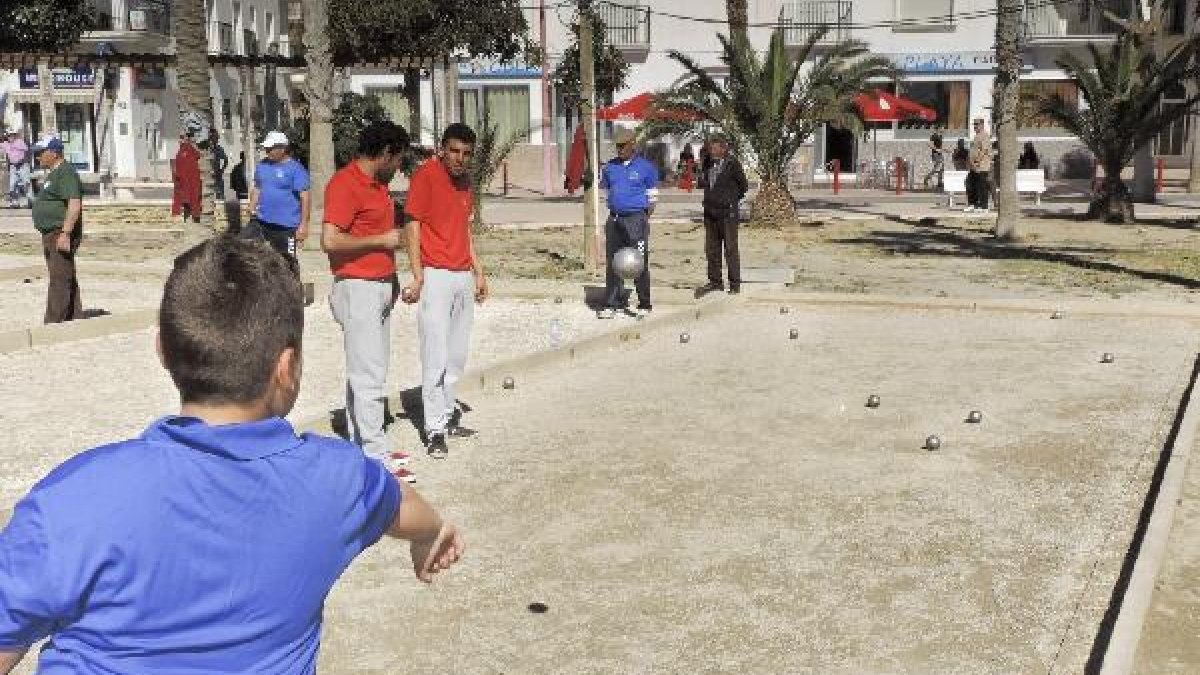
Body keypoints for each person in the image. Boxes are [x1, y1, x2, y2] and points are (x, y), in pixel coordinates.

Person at [0, 236, 464, 674]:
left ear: (162, 350)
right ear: (287, 367)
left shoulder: (77, 498)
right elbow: (405, 508)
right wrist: (433, 534)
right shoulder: (339, 479)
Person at [322, 121, 416, 481]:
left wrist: (391, 279)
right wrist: (381, 241)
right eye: (398, 160)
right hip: (356, 286)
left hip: (377, 286)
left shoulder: (378, 186)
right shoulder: (345, 184)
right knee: (370, 374)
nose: (399, 169)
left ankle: (363, 444)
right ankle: (376, 458)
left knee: (365, 371)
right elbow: (330, 241)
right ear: (386, 153)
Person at [403, 122, 488, 459]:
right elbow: (412, 226)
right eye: (454, 151)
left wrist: (478, 271)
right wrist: (418, 275)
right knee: (435, 354)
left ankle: (448, 413)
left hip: (462, 274)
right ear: (442, 148)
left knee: (456, 353)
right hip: (435, 275)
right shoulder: (425, 177)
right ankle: (434, 429)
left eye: (466, 153)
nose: (460, 158)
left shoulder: (466, 182)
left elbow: (463, 230)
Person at [597, 126, 658, 319]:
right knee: (613, 263)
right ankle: (612, 303)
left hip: (636, 220)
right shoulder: (610, 168)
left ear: (633, 144)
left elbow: (652, 198)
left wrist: (642, 219)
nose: (619, 149)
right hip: (615, 220)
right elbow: (607, 192)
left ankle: (644, 303)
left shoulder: (646, 167)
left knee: (639, 262)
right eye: (617, 146)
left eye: (623, 145)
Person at [30, 136, 84, 324]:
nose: (37, 157)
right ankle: (73, 316)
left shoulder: (66, 173)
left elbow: (74, 204)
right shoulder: (54, 173)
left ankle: (53, 322)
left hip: (59, 232)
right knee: (65, 274)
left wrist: (66, 233)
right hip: (51, 232)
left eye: (40, 153)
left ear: (54, 153)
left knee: (59, 279)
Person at [248, 131, 311, 264]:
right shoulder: (262, 166)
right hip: (261, 222)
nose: (267, 150)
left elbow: (305, 197)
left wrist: (303, 225)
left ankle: (293, 284)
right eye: (267, 148)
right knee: (247, 252)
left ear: (282, 149)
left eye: (271, 148)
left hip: (286, 227)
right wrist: (252, 208)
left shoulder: (296, 169)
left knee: (288, 263)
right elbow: (258, 187)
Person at [698, 133, 748, 295]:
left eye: (714, 147)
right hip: (710, 212)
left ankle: (734, 284)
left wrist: (730, 200)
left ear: (723, 148)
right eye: (710, 147)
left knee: (730, 248)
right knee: (711, 249)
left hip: (728, 214)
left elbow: (743, 186)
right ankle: (715, 282)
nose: (711, 150)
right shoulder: (706, 163)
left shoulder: (732, 164)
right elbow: (703, 183)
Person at [171, 134, 202, 222]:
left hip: (190, 180)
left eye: (182, 138)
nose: (180, 140)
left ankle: (194, 217)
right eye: (180, 138)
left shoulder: (188, 149)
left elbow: (197, 156)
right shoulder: (181, 151)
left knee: (192, 198)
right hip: (184, 181)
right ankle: (191, 216)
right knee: (188, 199)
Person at [964, 118, 993, 213]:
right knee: (970, 184)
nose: (975, 126)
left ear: (982, 125)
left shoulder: (984, 135)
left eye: (977, 124)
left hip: (981, 166)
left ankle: (984, 206)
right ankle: (973, 204)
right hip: (973, 166)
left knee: (982, 186)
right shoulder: (976, 136)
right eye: (974, 124)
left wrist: (977, 162)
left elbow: (984, 150)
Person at [1, 128, 31, 208]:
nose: (10, 137)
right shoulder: (5, 144)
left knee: (26, 183)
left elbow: (27, 152)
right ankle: (15, 202)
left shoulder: (19, 142)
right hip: (13, 166)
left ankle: (30, 200)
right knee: (12, 184)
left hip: (22, 165)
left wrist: (24, 161)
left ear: (15, 135)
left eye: (12, 135)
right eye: (9, 136)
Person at [210, 129, 228, 201]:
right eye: (213, 138)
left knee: (220, 196)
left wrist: (221, 170)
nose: (214, 140)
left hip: (217, 175)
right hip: (209, 175)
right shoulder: (208, 149)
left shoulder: (219, 149)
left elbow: (226, 160)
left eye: (216, 138)